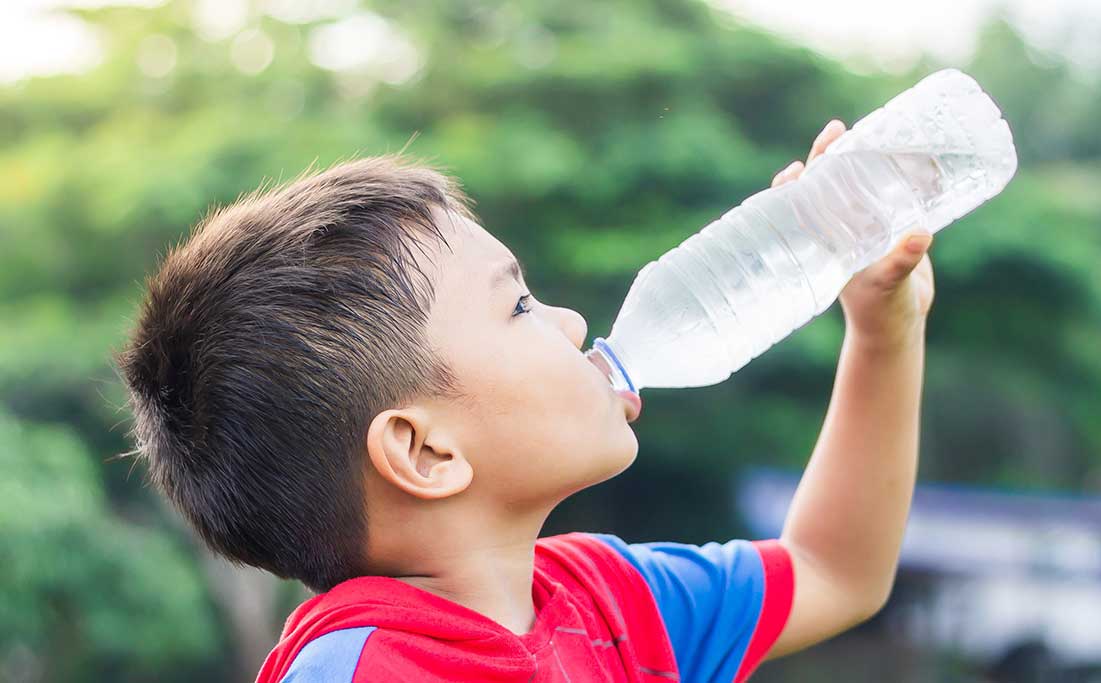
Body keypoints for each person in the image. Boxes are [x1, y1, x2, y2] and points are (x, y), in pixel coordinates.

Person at [115, 119, 934, 682]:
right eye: (519, 306)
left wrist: (883, 333)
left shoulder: (611, 602)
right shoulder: (361, 671)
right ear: (425, 451)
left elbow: (836, 570)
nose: (574, 321)